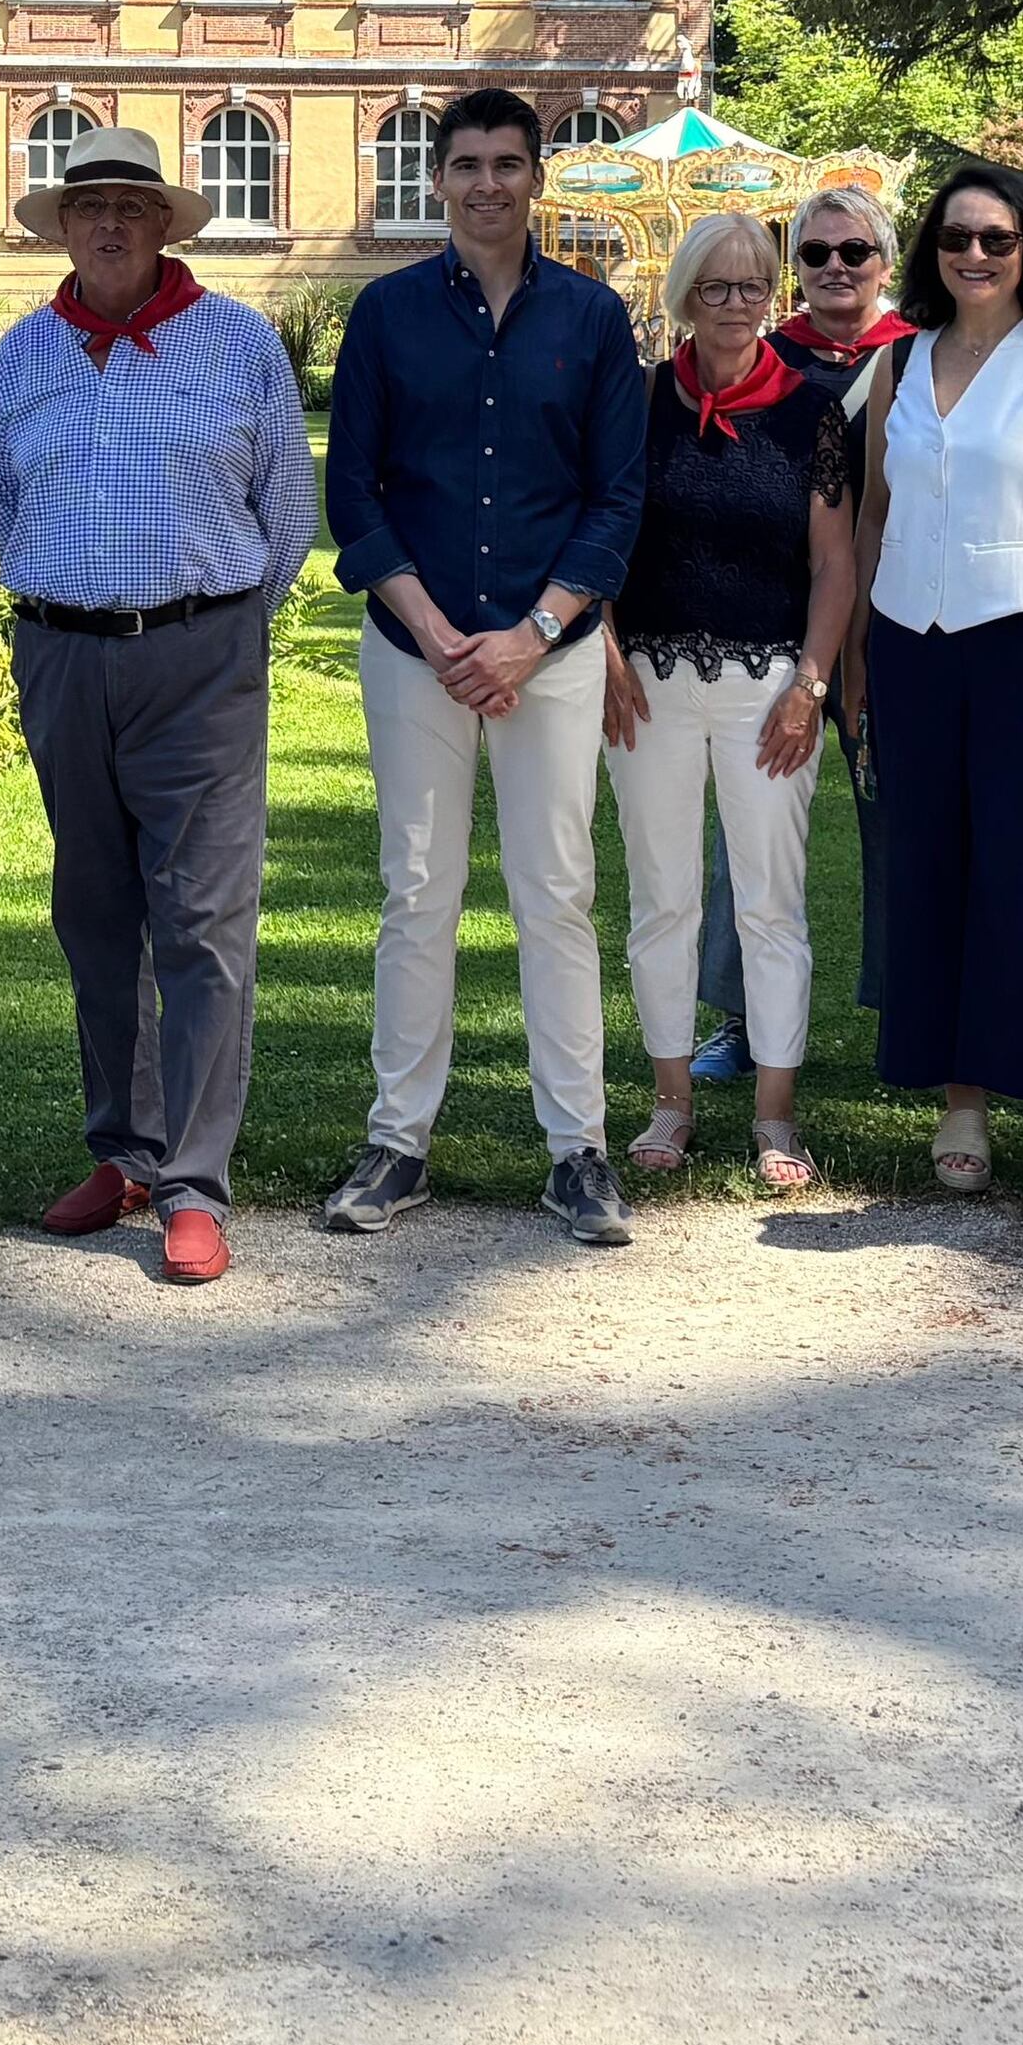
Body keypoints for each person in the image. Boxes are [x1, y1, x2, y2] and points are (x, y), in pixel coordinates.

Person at [0, 125, 313, 1291]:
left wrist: (208, 633)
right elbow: (4, 506)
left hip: (199, 655)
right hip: (64, 656)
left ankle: (192, 1184)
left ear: (165, 223)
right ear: (60, 228)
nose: (108, 225)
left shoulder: (237, 344)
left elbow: (286, 519)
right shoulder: (22, 355)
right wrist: (72, 618)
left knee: (202, 924)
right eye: (87, 208)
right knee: (94, 914)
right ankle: (121, 1152)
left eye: (130, 205)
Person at [319, 87, 651, 1250]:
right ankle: (396, 1142)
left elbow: (616, 500)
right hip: (417, 649)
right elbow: (349, 495)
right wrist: (434, 626)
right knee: (417, 894)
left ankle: (578, 1152)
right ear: (436, 180)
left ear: (535, 178)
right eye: (464, 165)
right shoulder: (388, 315)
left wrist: (532, 634)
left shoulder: (593, 320)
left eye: (507, 163)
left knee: (554, 893)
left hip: (546, 653)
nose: (485, 185)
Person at [852, 161, 1023, 1232]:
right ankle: (959, 1101)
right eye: (956, 238)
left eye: (996, 240)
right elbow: (874, 513)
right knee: (930, 875)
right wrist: (862, 661)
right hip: (909, 647)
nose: (974, 255)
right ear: (932, 253)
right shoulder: (897, 365)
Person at [606, 214, 862, 1194]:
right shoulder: (635, 405)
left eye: (753, 286)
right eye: (714, 288)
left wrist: (810, 684)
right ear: (682, 296)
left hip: (768, 688)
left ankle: (773, 1113)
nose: (735, 305)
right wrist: (607, 656)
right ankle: (669, 1102)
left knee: (769, 904)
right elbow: (602, 540)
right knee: (662, 898)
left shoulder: (810, 412)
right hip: (646, 683)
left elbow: (834, 565)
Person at [692, 176, 912, 1082]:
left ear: (885, 263)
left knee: (904, 826)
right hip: (773, 629)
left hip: (900, 626)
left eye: (852, 251)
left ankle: (912, 1017)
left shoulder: (928, 359)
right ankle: (743, 1019)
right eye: (814, 253)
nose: (833, 268)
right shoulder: (758, 358)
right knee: (750, 833)